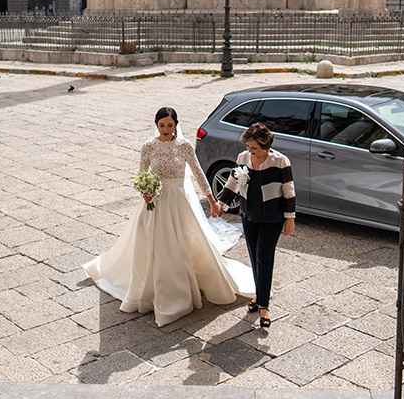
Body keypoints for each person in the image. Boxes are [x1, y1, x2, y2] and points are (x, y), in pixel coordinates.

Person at [84, 107, 253, 327]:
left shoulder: (184, 146)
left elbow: (199, 173)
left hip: (179, 202)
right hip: (156, 202)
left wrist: (212, 201)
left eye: (170, 125)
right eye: (162, 125)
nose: (165, 130)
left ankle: (185, 285)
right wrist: (145, 192)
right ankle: (155, 288)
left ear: (176, 125)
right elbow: (142, 173)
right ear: (156, 125)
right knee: (158, 246)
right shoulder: (148, 146)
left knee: (185, 241)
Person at [219, 123, 296, 328]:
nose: (249, 151)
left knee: (264, 257)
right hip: (249, 214)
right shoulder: (243, 158)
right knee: (254, 256)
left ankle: (264, 305)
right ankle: (258, 295)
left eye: (253, 148)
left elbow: (288, 190)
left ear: (265, 146)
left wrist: (290, 218)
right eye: (248, 147)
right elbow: (233, 182)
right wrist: (221, 203)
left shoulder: (280, 161)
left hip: (272, 217)